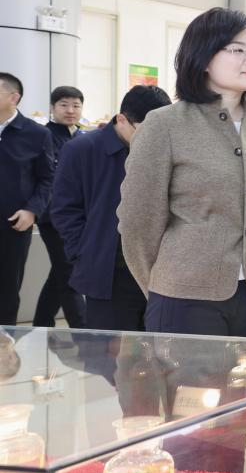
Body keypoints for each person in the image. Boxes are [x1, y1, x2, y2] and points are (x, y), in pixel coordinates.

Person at [119, 6, 246, 340]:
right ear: (204, 57)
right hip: (185, 296)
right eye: (238, 50)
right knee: (193, 378)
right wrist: (162, 284)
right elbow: (138, 221)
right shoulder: (164, 124)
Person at [50, 85, 173, 332]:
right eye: (144, 130)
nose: (152, 138)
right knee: (108, 348)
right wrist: (83, 251)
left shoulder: (165, 150)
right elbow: (64, 209)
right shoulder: (81, 150)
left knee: (157, 347)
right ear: (121, 120)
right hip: (109, 271)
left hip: (158, 270)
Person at [0, 72, 56, 326]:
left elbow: (47, 178)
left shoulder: (36, 134)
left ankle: (4, 345)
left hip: (13, 224)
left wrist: (32, 210)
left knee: (7, 290)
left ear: (14, 97)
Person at [32, 86, 87, 328]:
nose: (70, 110)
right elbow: (46, 177)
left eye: (76, 105)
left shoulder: (82, 137)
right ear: (52, 108)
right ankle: (84, 333)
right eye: (64, 105)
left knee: (59, 273)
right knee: (69, 274)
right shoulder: (44, 136)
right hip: (53, 216)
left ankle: (41, 326)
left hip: (78, 216)